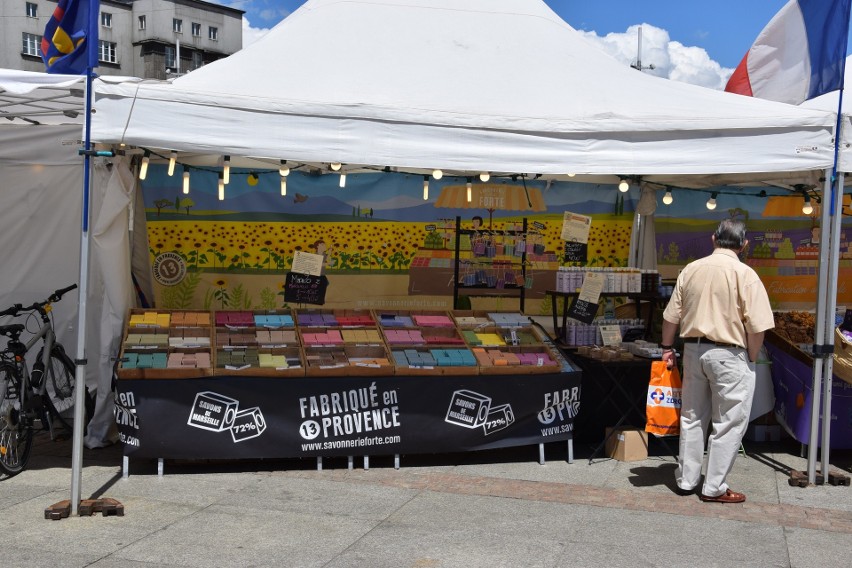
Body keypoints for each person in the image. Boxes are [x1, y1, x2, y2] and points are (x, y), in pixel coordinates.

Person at [660, 219, 774, 504]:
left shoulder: (691, 269)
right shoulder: (746, 274)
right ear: (744, 244)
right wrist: (750, 356)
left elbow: (670, 316)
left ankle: (687, 480)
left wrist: (665, 347)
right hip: (730, 353)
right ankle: (714, 487)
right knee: (728, 423)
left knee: (692, 417)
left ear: (714, 239)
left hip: (694, 350)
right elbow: (757, 327)